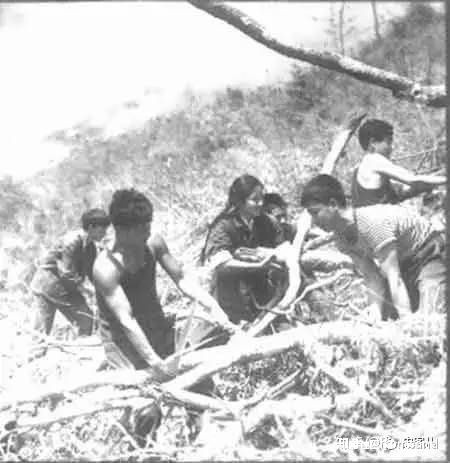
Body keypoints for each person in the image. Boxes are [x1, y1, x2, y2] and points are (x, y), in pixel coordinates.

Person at [93, 188, 237, 445]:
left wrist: (213, 307)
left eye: (148, 224)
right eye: (141, 228)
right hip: (123, 344)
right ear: (122, 229)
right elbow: (126, 321)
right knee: (146, 409)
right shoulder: (106, 268)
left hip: (157, 328)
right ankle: (141, 451)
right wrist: (155, 363)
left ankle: (203, 443)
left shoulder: (153, 243)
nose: (147, 231)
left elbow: (181, 278)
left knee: (201, 388)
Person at [300, 174, 445, 321]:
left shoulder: (371, 223)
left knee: (429, 318)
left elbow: (394, 277)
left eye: (315, 213)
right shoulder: (341, 239)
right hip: (404, 266)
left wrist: (405, 321)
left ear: (333, 204)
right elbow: (372, 277)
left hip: (430, 254)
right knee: (386, 317)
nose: (314, 221)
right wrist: (374, 313)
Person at [30, 208, 110, 340]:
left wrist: (103, 291)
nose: (104, 233)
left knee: (86, 320)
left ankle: (82, 348)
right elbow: (66, 272)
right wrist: (86, 289)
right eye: (102, 230)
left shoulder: (90, 248)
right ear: (91, 227)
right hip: (47, 287)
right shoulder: (72, 241)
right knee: (40, 335)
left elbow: (92, 274)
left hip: (66, 289)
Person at [352, 119, 445, 207]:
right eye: (388, 142)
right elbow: (413, 180)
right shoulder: (374, 159)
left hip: (364, 217)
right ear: (373, 142)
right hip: (377, 216)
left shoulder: (360, 166)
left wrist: (434, 180)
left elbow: (402, 191)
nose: (392, 147)